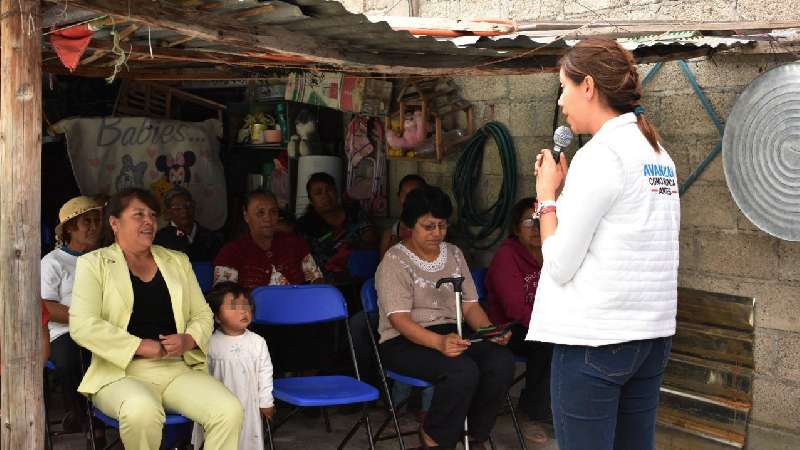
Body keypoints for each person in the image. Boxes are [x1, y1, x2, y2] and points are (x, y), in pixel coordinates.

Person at [530, 37, 680, 450]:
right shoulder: (657, 153)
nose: (562, 101)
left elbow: (559, 263)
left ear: (589, 87)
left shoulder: (601, 155)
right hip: (650, 337)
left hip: (597, 341)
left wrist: (547, 197)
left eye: (564, 86)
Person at [70, 188, 244, 450]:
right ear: (115, 223)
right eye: (138, 215)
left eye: (152, 215)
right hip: (119, 374)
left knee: (228, 410)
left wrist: (189, 339)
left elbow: (203, 314)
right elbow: (83, 325)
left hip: (175, 369)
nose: (149, 221)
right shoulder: (94, 264)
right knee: (142, 411)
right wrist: (138, 346)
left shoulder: (177, 261)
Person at [376, 185, 514, 450]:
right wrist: (438, 343)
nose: (437, 233)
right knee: (462, 371)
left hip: (453, 333)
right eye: (428, 226)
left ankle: (473, 435)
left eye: (442, 225)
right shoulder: (394, 261)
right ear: (409, 226)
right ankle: (434, 437)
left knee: (501, 362)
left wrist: (489, 332)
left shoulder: (454, 254)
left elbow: (471, 306)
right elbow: (399, 320)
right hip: (404, 341)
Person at [485, 197, 552, 444]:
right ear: (515, 228)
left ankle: (562, 406)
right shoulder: (507, 256)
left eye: (540, 220)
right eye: (528, 222)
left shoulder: (552, 252)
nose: (535, 227)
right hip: (510, 329)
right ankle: (531, 413)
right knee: (547, 345)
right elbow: (515, 309)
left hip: (546, 324)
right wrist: (552, 327)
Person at [41, 195, 104, 434]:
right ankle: (83, 417)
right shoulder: (53, 262)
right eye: (86, 221)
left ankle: (108, 411)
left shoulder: (104, 259)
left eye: (96, 220)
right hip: (65, 330)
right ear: (69, 228)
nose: (93, 227)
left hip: (101, 327)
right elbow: (45, 305)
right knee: (71, 358)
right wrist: (84, 319)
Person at [193, 282, 274, 450]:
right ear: (216, 317)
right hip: (217, 406)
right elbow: (200, 376)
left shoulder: (257, 342)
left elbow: (265, 373)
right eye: (233, 307)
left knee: (247, 439)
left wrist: (266, 401)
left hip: (249, 405)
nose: (243, 311)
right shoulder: (209, 343)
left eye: (246, 306)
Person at [214, 190, 323, 289]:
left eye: (273, 212)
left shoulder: (296, 244)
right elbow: (223, 298)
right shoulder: (231, 253)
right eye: (260, 213)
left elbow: (316, 279)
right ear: (246, 216)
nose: (268, 218)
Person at [297, 172, 378, 286]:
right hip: (325, 285)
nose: (325, 196)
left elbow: (370, 238)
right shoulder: (305, 226)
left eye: (329, 190)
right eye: (318, 193)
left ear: (336, 192)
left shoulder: (354, 212)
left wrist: (352, 249)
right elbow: (305, 260)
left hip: (360, 279)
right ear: (311, 200)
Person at [154, 187, 223, 261]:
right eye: (177, 208)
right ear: (168, 212)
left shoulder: (211, 238)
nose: (184, 211)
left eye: (188, 205)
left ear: (194, 206)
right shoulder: (159, 240)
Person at [379, 174, 427, 258]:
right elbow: (383, 267)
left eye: (414, 194)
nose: (409, 199)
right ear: (398, 196)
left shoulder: (433, 232)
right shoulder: (389, 235)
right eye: (405, 194)